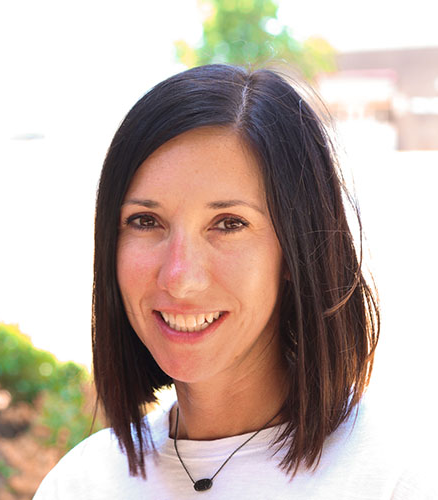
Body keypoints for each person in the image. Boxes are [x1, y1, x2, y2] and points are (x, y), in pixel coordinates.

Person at [33, 65, 433, 499]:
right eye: (145, 221)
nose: (180, 277)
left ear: (295, 249)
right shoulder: (79, 485)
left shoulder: (398, 478)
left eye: (228, 224)